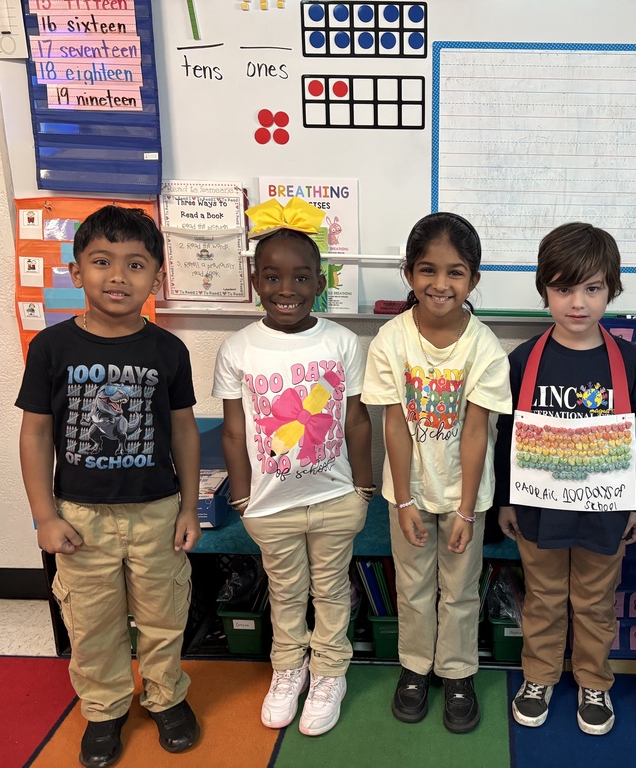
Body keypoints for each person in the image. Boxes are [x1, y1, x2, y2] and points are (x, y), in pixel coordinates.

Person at [17, 206, 202, 768]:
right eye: (102, 262)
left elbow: (184, 431)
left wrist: (190, 507)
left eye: (135, 264)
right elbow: (35, 434)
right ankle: (103, 709)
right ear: (77, 273)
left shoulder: (168, 351)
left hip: (156, 512)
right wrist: (45, 516)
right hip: (80, 518)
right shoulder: (51, 349)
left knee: (163, 615)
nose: (117, 276)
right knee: (92, 620)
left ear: (157, 277)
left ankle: (166, 696)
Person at [213, 197, 374, 737]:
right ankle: (288, 669)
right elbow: (234, 430)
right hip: (269, 506)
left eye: (302, 277)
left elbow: (356, 422)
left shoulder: (342, 342)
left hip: (334, 500)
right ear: (256, 280)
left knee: (330, 590)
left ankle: (330, 671)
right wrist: (241, 498)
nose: (288, 289)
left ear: (320, 281)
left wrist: (365, 490)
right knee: (285, 591)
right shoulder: (237, 348)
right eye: (274, 276)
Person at [493, 223, 636, 735]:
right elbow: (507, 437)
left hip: (605, 509)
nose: (577, 303)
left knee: (594, 602)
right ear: (544, 290)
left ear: (613, 289)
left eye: (592, 288)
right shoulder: (523, 361)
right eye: (563, 289)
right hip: (538, 506)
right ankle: (538, 676)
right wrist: (504, 500)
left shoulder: (628, 361)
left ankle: (594, 682)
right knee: (542, 598)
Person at [362, 212, 511, 734]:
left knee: (461, 589)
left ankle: (458, 672)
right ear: (408, 273)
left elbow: (477, 433)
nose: (440, 284)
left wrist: (466, 509)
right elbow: (395, 425)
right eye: (427, 270)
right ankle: (414, 668)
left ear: (473, 279)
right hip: (409, 492)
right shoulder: (390, 340)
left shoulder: (485, 348)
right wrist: (403, 502)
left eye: (455, 272)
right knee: (413, 585)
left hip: (466, 496)